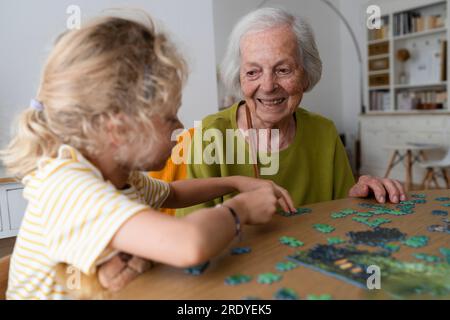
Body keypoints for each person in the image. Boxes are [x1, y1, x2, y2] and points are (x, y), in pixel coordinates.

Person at [0, 13, 294, 300]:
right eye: (169, 118)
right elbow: (188, 243)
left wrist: (235, 182)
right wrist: (240, 209)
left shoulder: (119, 177)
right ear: (119, 129)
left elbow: (173, 194)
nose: (180, 130)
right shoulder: (66, 187)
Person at [177, 7, 405, 216]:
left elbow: (342, 215)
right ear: (238, 77)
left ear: (306, 75)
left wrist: (362, 194)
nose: (267, 86)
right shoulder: (211, 135)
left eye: (283, 70)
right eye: (253, 72)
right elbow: (188, 238)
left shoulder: (323, 132)